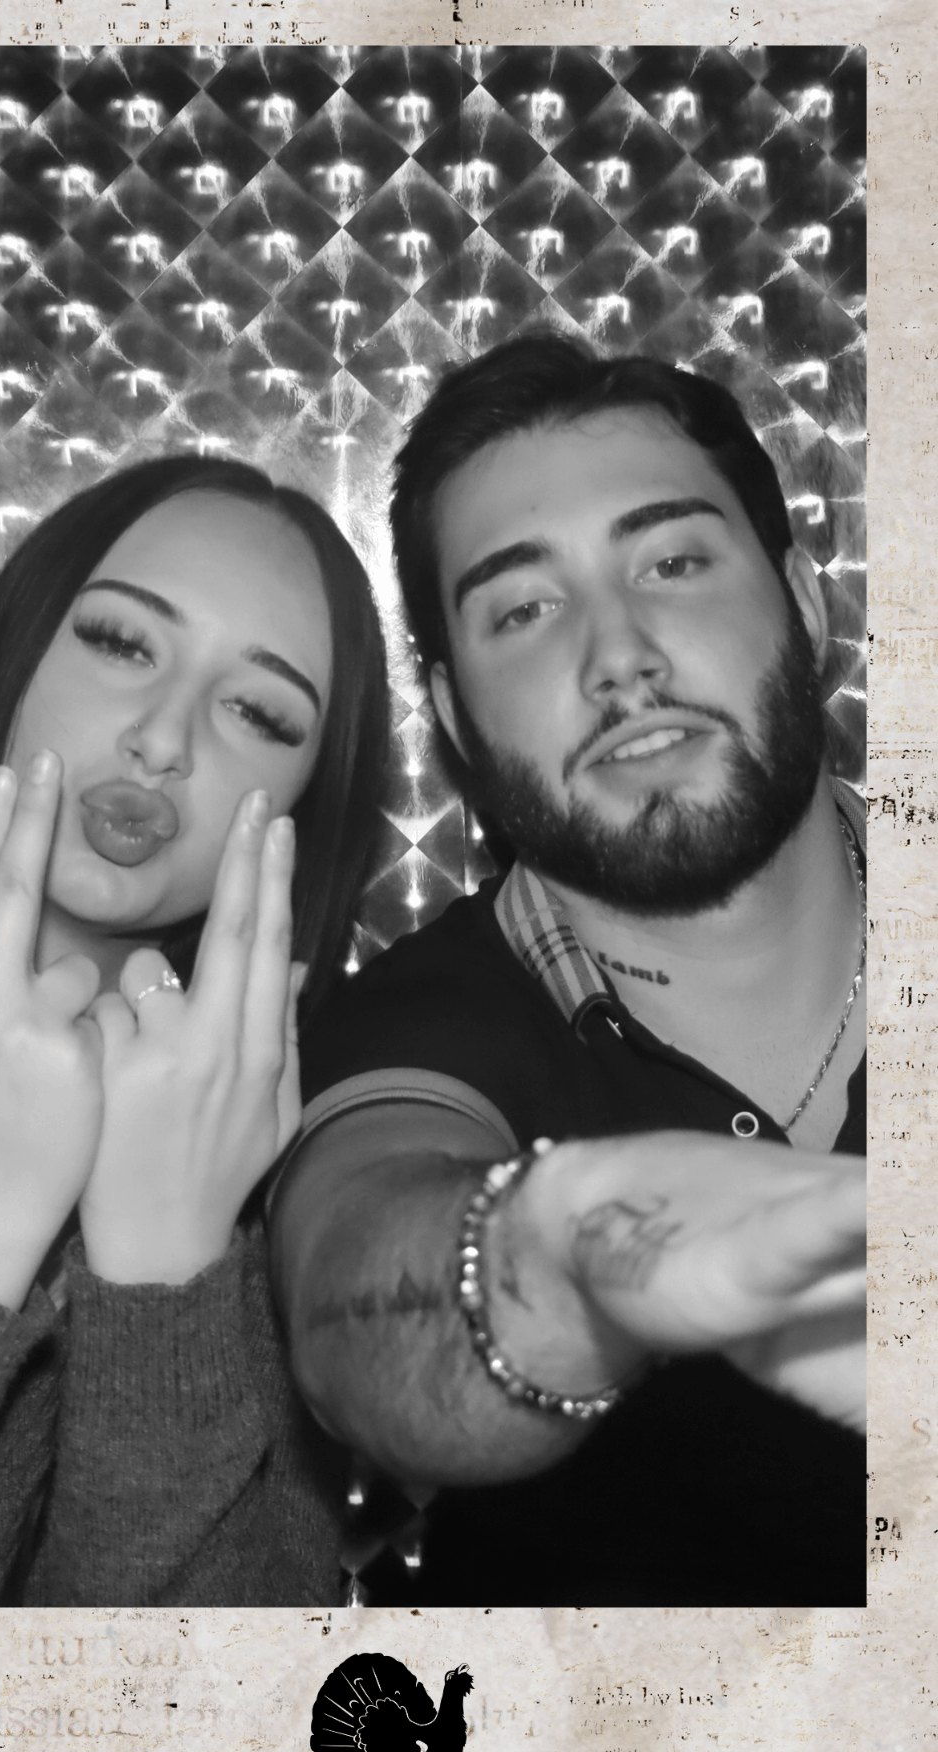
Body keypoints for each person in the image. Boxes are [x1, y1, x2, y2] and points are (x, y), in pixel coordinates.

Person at [272, 333, 867, 1606]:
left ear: (805, 603)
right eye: (524, 611)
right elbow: (350, 1306)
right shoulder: (415, 1025)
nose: (618, 655)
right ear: (454, 716)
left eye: (673, 562)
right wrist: (585, 1253)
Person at [0, 454, 389, 1606]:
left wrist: (169, 1269)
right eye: (122, 642)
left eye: (259, 713)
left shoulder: (272, 1178)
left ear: (301, 809)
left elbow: (192, 1707)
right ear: (18, 643)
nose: (165, 738)